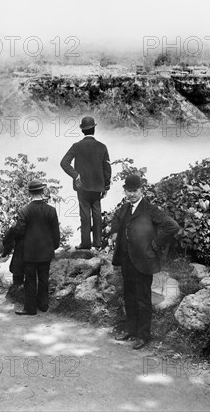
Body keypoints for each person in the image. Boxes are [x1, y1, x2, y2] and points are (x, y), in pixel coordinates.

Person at [110, 174, 179, 349]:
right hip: (126, 259)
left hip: (143, 261)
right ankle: (131, 330)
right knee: (129, 296)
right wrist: (115, 232)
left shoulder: (150, 209)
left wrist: (155, 244)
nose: (131, 194)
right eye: (129, 191)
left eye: (135, 191)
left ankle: (143, 335)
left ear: (141, 190)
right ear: (125, 191)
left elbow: (172, 226)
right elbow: (116, 218)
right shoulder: (125, 208)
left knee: (142, 298)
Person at [60, 116, 111, 250]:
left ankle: (85, 244)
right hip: (98, 186)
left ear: (82, 131)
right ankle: (98, 243)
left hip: (81, 185)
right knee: (97, 213)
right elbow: (107, 168)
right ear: (94, 129)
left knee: (84, 215)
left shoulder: (76, 146)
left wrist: (76, 175)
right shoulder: (102, 147)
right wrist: (106, 185)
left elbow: (64, 163)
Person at [12, 180, 60, 316]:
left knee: (30, 280)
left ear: (29, 193)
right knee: (44, 279)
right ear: (42, 192)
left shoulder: (24, 211)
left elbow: (19, 231)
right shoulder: (51, 210)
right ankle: (43, 305)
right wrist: (53, 247)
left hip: (29, 253)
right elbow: (56, 233)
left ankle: (30, 308)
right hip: (46, 252)